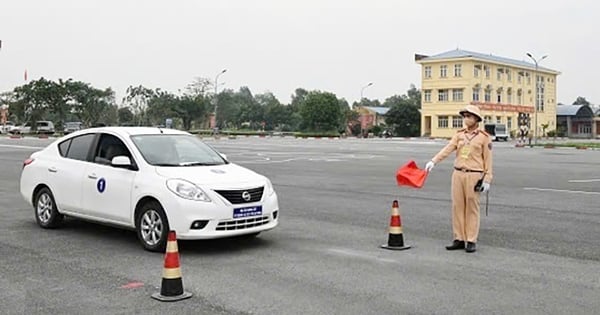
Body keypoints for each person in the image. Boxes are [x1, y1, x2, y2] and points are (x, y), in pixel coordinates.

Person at [424, 105, 493, 253]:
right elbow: (448, 149)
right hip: (458, 173)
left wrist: (487, 179)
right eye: (465, 116)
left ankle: (471, 240)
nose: (466, 119)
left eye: (469, 116)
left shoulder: (484, 137)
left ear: (476, 119)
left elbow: (488, 160)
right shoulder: (459, 135)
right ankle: (459, 238)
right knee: (457, 207)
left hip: (474, 174)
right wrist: (434, 161)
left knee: (472, 208)